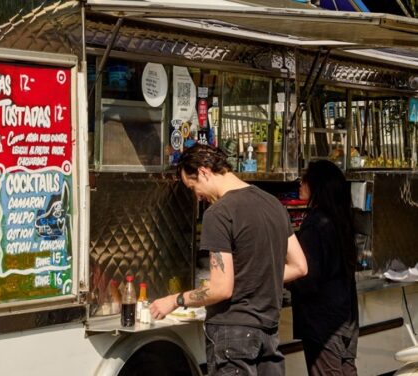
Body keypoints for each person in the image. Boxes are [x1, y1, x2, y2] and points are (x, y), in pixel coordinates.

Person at [150, 143, 308, 375]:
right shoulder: (273, 205)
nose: (198, 196)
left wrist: (175, 300)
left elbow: (221, 289)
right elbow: (300, 266)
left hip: (233, 336)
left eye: (192, 187)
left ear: (204, 171)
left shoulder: (219, 213)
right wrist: (254, 276)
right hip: (269, 332)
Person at [289, 159, 359, 376]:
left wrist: (284, 278)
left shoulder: (316, 224)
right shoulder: (340, 220)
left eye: (304, 180)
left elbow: (307, 275)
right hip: (344, 318)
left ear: (316, 185)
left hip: (323, 322)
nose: (299, 184)